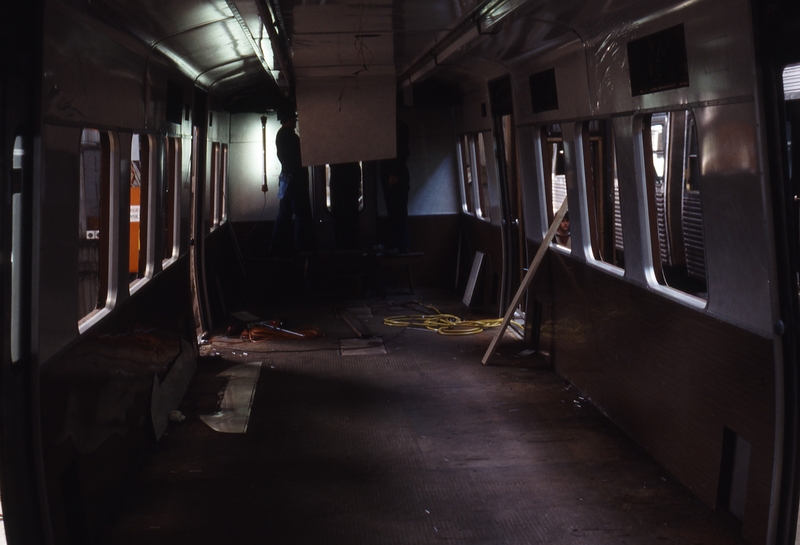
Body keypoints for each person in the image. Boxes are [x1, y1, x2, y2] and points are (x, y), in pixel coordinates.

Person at [270, 107, 313, 256]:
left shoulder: (282, 136)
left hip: (287, 179)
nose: (295, 120)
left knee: (284, 215)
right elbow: (295, 159)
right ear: (287, 119)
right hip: (295, 181)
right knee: (302, 215)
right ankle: (301, 249)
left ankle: (276, 249)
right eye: (293, 118)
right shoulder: (289, 137)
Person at [379, 120, 410, 253]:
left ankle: (401, 245)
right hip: (390, 175)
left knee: (398, 212)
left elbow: (403, 151)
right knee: (394, 212)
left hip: (395, 176)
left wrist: (395, 173)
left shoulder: (399, 127)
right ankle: (398, 244)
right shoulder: (387, 127)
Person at [329, 162, 361, 250]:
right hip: (350, 169)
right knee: (350, 209)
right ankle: (351, 246)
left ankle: (342, 246)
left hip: (338, 171)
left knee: (339, 211)